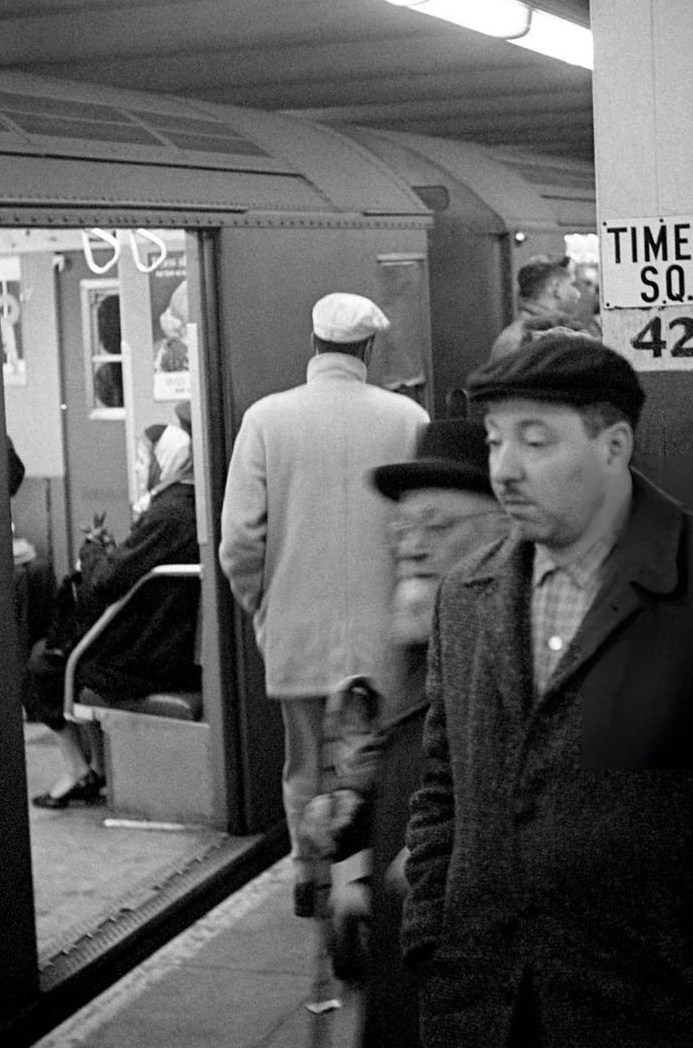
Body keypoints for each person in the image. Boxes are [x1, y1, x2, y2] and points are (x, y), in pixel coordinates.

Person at [402, 337, 693, 1048]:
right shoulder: (467, 595)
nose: (504, 469)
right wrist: (432, 937)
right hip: (486, 1007)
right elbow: (442, 789)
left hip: (664, 1013)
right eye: (494, 441)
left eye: (535, 441)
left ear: (613, 447)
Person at [300, 419, 509, 1048]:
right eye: (401, 529)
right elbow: (410, 767)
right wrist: (353, 810)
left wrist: (454, 853)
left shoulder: (515, 655)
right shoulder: (422, 647)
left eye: (435, 527)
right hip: (406, 954)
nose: (411, 547)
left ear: (505, 532)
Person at [219, 292, 429, 916]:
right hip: (387, 632)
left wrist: (263, 605)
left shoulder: (266, 419)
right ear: (368, 348)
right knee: (383, 759)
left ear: (314, 343)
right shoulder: (407, 418)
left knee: (306, 764)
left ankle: (310, 878)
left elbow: (239, 540)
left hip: (297, 627)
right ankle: (369, 877)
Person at [24, 421, 198, 808]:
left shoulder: (167, 514)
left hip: (146, 655)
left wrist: (91, 550)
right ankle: (97, 768)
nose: (137, 468)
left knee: (43, 666)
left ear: (167, 462)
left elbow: (105, 581)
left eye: (143, 461)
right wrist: (108, 553)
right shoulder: (182, 507)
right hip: (162, 640)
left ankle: (77, 770)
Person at [488, 255, 592, 361]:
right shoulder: (521, 342)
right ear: (556, 287)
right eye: (573, 285)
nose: (578, 294)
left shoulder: (516, 337)